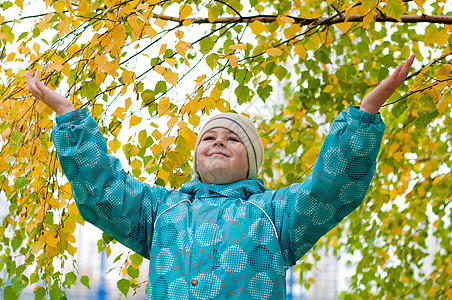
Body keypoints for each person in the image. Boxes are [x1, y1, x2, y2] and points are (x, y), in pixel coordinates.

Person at [26, 55, 415, 299]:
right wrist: (68, 116)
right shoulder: (162, 212)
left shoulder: (275, 214)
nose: (218, 143)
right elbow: (104, 191)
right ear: (195, 156)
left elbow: (330, 192)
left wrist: (364, 116)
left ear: (252, 161)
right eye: (209, 137)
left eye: (233, 139)